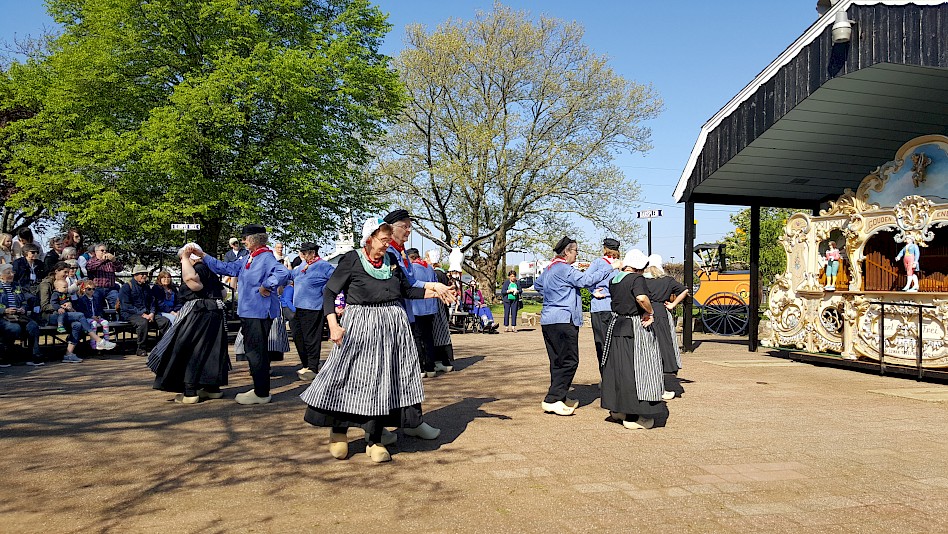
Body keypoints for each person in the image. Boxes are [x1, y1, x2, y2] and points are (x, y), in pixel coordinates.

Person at [299, 216, 456, 463]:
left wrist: (436, 292)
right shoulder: (352, 259)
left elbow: (407, 290)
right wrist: (333, 325)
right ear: (369, 239)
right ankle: (338, 432)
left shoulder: (391, 260)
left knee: (382, 383)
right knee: (348, 378)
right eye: (383, 240)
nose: (386, 244)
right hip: (360, 326)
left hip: (391, 328)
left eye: (387, 240)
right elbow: (329, 291)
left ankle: (374, 440)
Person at [198, 224, 289, 405]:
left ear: (254, 239)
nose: (243, 241)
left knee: (256, 351)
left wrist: (267, 285)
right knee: (253, 350)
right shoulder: (249, 257)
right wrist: (204, 257)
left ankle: (261, 392)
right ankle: (259, 388)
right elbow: (227, 268)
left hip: (259, 312)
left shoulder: (265, 257)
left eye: (245, 238)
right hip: (250, 311)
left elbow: (283, 272)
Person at [533, 236, 615, 416]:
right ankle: (552, 399)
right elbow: (585, 280)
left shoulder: (549, 268)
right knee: (570, 361)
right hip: (564, 319)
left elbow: (537, 285)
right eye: (576, 251)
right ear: (567, 252)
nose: (577, 254)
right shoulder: (564, 269)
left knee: (557, 360)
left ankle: (560, 396)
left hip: (549, 319)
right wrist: (610, 268)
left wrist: (554, 294)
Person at [149, 244, 229, 404]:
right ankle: (212, 388)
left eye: (181, 260)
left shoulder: (197, 267)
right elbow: (223, 293)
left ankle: (190, 391)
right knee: (212, 349)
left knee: (187, 348)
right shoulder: (209, 270)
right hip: (215, 311)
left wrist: (185, 257)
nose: (181, 263)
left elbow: (191, 281)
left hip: (199, 312)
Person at [600, 249, 662, 430]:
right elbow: (641, 298)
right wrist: (650, 311)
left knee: (618, 369)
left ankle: (618, 409)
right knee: (638, 368)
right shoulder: (636, 279)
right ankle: (634, 414)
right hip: (635, 327)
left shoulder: (614, 279)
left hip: (616, 325)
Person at [39, 262, 116, 361]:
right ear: (56, 271)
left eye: (68, 272)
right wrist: (59, 307)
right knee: (80, 315)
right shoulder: (46, 284)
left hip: (65, 314)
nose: (67, 275)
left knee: (77, 325)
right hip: (50, 316)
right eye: (65, 272)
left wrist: (69, 306)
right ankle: (98, 340)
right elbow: (44, 305)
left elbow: (66, 299)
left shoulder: (64, 284)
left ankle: (69, 354)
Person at [643, 254, 689, 401]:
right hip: (661, 314)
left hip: (644, 313)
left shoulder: (641, 280)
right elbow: (684, 290)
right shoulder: (667, 280)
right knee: (662, 348)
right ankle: (660, 387)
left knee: (646, 350)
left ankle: (648, 386)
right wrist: (673, 304)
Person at [288, 242, 334, 381]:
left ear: (313, 253)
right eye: (301, 252)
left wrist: (326, 292)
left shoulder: (324, 266)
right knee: (298, 335)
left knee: (311, 338)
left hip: (313, 307)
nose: (301, 254)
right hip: (297, 307)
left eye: (304, 252)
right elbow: (290, 275)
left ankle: (312, 367)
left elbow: (335, 280)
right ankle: (306, 364)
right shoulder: (301, 266)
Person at [119, 265, 171, 356]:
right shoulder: (126, 287)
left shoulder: (147, 287)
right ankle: (141, 348)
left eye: (145, 274)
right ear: (135, 275)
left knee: (165, 321)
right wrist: (142, 314)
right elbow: (126, 306)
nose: (144, 276)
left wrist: (152, 313)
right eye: (141, 274)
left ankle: (162, 346)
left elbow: (152, 301)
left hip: (147, 313)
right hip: (130, 314)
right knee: (143, 322)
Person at [0, 264, 44, 366]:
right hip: (3, 317)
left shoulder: (16, 285)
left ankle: (34, 356)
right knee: (14, 328)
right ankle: (5, 356)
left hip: (18, 316)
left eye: (12, 272)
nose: (12, 274)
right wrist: (4, 310)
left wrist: (23, 309)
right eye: (8, 273)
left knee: (33, 326)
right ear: (1, 275)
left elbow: (24, 302)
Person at [408, 248, 442, 377]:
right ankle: (430, 366)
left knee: (417, 338)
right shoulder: (429, 268)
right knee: (428, 337)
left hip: (416, 307)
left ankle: (420, 367)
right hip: (430, 307)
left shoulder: (412, 268)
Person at [589, 238, 621, 368]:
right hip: (614, 306)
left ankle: (606, 376)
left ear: (605, 249)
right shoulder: (620, 265)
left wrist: (593, 291)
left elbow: (586, 278)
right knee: (614, 343)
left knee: (602, 343)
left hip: (600, 305)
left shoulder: (598, 263)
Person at [426, 249, 455, 371]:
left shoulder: (436, 274)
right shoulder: (442, 273)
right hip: (441, 306)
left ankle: (440, 361)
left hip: (437, 305)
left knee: (438, 333)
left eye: (427, 258)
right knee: (442, 332)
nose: (425, 260)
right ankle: (445, 360)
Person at [86, 244, 123, 308]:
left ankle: (116, 317)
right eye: (102, 250)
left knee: (118, 303)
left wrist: (114, 261)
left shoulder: (110, 262)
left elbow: (120, 269)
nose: (104, 252)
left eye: (106, 251)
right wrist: (102, 260)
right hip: (97, 288)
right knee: (97, 305)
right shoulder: (91, 260)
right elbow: (90, 267)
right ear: (96, 252)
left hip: (111, 289)